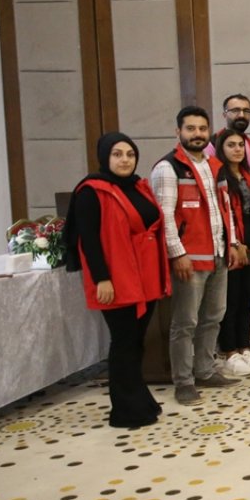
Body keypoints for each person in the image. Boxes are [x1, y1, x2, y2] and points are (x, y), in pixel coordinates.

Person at [64, 133, 170, 427]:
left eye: (130, 154)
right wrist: (102, 279)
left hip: (144, 276)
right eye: (117, 154)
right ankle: (125, 411)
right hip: (116, 278)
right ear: (104, 158)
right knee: (124, 341)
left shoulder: (137, 186)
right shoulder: (91, 191)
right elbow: (89, 240)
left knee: (136, 341)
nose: (124, 160)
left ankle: (139, 398)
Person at [151, 106, 240, 405]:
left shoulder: (215, 165)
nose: (198, 134)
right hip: (190, 258)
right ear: (178, 132)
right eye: (191, 129)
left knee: (213, 317)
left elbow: (225, 209)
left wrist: (234, 242)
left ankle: (204, 370)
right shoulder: (168, 168)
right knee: (185, 322)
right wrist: (177, 254)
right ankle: (184, 382)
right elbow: (164, 216)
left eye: (202, 129)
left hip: (218, 252)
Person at [213, 129, 250, 376]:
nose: (236, 149)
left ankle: (244, 347)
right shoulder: (219, 176)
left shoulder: (249, 175)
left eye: (239, 145)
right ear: (221, 149)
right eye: (230, 145)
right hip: (232, 242)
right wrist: (234, 243)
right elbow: (224, 214)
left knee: (246, 300)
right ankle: (229, 351)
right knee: (231, 300)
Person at [204, 93, 250, 166]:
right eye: (235, 110)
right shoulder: (211, 145)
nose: (241, 115)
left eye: (246, 111)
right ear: (225, 115)